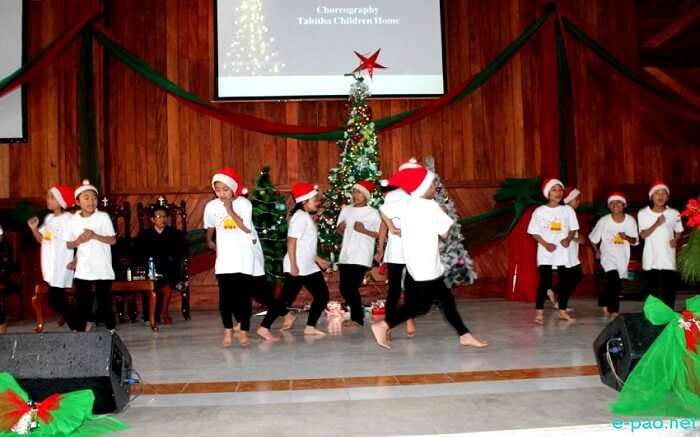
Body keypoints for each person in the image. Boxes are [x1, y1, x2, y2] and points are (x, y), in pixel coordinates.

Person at [370, 165, 488, 349]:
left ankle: (464, 334)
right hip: (426, 265)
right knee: (420, 305)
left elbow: (383, 209)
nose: (435, 188)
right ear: (421, 187)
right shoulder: (431, 206)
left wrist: (392, 227)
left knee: (442, 301)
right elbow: (444, 234)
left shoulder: (406, 204)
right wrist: (444, 215)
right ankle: (383, 325)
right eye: (432, 184)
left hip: (416, 263)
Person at [258, 182, 330, 339]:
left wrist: (317, 259)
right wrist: (294, 265)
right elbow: (291, 242)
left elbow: (306, 245)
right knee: (285, 299)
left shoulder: (304, 217)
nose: (317, 202)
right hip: (298, 266)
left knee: (321, 295)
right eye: (313, 199)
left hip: (308, 265)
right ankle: (264, 327)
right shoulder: (300, 218)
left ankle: (310, 327)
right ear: (304, 202)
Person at [204, 167, 257, 347]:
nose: (221, 194)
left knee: (243, 299)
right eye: (217, 190)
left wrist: (230, 209)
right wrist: (209, 240)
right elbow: (210, 224)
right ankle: (227, 331)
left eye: (225, 190)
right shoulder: (211, 206)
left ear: (233, 188)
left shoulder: (244, 204)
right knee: (225, 299)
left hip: (243, 259)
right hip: (225, 260)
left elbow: (246, 228)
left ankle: (243, 332)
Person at [375, 159, 420, 337]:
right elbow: (383, 220)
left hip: (413, 249)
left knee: (411, 287)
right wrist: (380, 248)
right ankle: (387, 325)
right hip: (394, 250)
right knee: (393, 289)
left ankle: (408, 318)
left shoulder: (419, 195)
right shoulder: (392, 195)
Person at [66, 180, 117, 332]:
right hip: (84, 266)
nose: (91, 201)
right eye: (86, 198)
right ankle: (83, 327)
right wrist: (78, 241)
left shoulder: (103, 217)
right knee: (83, 300)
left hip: (102, 265)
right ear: (77, 201)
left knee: (104, 300)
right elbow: (69, 244)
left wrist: (95, 236)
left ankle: (111, 329)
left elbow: (112, 240)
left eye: (94, 198)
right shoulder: (73, 220)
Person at [527, 178, 579, 324]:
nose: (558, 193)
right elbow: (533, 232)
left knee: (564, 282)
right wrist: (545, 244)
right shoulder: (540, 211)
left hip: (562, 252)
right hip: (546, 252)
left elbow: (574, 228)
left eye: (560, 190)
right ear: (547, 193)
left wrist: (568, 239)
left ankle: (562, 311)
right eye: (554, 190)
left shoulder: (567, 210)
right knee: (545, 282)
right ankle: (539, 313)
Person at [27, 185, 77, 332]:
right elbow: (43, 240)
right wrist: (34, 228)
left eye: (51, 197)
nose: (47, 199)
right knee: (56, 298)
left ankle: (78, 324)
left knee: (55, 299)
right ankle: (79, 323)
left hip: (62, 263)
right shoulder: (49, 219)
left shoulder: (69, 219)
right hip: (49, 264)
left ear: (60, 201)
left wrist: (76, 259)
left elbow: (78, 240)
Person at [336, 179, 381, 327]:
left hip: (361, 255)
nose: (356, 195)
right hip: (346, 254)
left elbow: (381, 235)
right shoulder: (346, 210)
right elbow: (339, 230)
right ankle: (357, 315)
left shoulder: (373, 213)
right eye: (354, 192)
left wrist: (365, 231)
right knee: (344, 288)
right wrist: (340, 228)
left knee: (351, 286)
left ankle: (357, 318)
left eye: (359, 192)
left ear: (366, 196)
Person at [589, 192, 639, 319]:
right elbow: (593, 238)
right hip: (607, 256)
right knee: (614, 280)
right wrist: (597, 251)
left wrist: (626, 237)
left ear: (624, 205)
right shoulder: (604, 221)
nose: (615, 205)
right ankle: (614, 311)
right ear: (609, 206)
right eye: (612, 203)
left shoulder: (630, 220)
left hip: (622, 257)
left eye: (618, 202)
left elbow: (635, 241)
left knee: (613, 282)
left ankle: (604, 300)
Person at [135, 204, 186, 325]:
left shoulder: (175, 234)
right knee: (149, 282)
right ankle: (149, 315)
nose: (162, 219)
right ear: (152, 219)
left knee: (166, 286)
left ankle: (163, 313)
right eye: (158, 216)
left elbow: (180, 253)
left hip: (169, 268)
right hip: (150, 268)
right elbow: (139, 254)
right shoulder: (144, 235)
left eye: (165, 216)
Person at [637, 179, 683, 309]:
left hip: (668, 257)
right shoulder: (643, 213)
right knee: (653, 290)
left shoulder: (674, 213)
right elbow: (643, 235)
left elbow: (679, 230)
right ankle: (653, 316)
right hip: (651, 257)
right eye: (657, 193)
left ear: (667, 197)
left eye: (663, 193)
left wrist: (676, 239)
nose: (660, 196)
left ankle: (669, 316)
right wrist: (657, 223)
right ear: (651, 197)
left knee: (669, 290)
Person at [547, 187, 583, 311]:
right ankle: (560, 302)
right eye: (576, 199)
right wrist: (575, 239)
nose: (578, 201)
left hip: (571, 251)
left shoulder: (569, 212)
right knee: (573, 277)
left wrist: (577, 239)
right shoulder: (565, 211)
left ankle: (555, 294)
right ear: (568, 200)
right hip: (565, 250)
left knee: (575, 277)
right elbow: (561, 230)